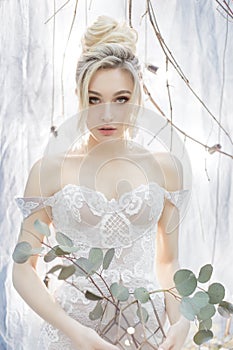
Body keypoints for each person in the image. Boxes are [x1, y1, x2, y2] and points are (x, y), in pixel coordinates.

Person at [12, 15, 190, 350]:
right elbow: (23, 270)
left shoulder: (165, 168)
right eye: (95, 99)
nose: (107, 115)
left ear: (136, 96)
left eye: (120, 99)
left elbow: (167, 262)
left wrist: (180, 322)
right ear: (79, 96)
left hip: (143, 334)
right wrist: (78, 335)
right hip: (72, 336)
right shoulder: (48, 171)